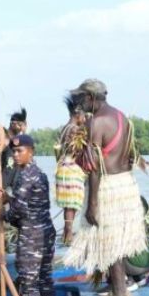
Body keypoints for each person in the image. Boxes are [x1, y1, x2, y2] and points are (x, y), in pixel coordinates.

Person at [63, 79, 147, 296]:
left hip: (108, 187)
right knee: (115, 242)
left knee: (110, 243)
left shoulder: (96, 123)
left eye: (82, 98)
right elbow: (131, 155)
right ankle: (116, 293)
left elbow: (94, 168)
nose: (79, 103)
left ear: (91, 97)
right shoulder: (123, 118)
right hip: (126, 185)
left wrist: (92, 204)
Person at [0, 134, 58, 296]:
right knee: (45, 279)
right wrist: (9, 199)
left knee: (29, 282)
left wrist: (2, 216)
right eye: (13, 151)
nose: (15, 155)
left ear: (31, 152)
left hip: (32, 236)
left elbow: (19, 212)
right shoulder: (40, 173)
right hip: (46, 231)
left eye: (19, 151)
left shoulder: (24, 176)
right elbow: (34, 205)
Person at [54, 96, 88, 244]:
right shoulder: (74, 129)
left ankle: (66, 234)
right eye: (84, 116)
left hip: (63, 167)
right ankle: (68, 235)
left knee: (69, 204)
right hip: (71, 167)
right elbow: (78, 151)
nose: (84, 119)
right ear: (78, 114)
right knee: (72, 204)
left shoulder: (64, 128)